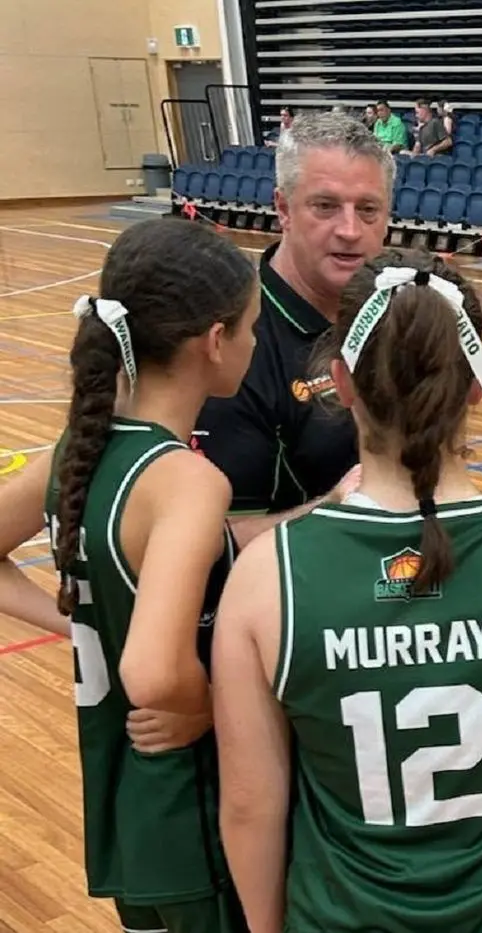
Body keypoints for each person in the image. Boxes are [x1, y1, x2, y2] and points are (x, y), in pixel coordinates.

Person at [210, 248, 482, 933]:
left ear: (340, 383)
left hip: (347, 915)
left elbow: (249, 806)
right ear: (477, 385)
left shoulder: (266, 576)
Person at [8, 217, 260, 931]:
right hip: (195, 817)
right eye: (250, 327)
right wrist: (214, 704)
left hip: (125, 813)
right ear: (214, 341)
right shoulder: (185, 481)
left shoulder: (78, 453)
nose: (254, 342)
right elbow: (153, 671)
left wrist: (82, 621)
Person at [194, 110, 391, 548]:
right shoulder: (233, 346)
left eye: (368, 209)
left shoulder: (397, 314)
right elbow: (208, 545)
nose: (349, 230)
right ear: (282, 208)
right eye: (325, 206)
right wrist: (335, 506)